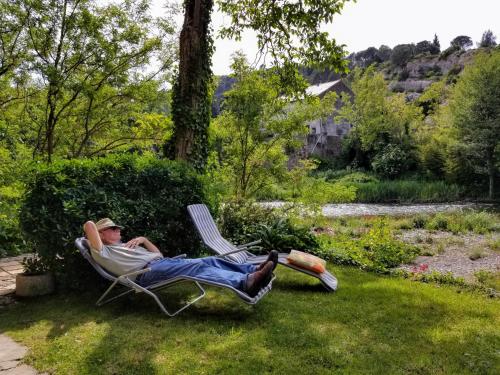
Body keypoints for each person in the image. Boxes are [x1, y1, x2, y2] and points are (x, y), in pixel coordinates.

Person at [83, 218, 278, 297]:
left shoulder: (126, 246)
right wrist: (97, 234)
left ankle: (253, 270)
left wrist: (143, 239)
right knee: (194, 269)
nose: (118, 230)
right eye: (113, 228)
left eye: (118, 228)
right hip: (145, 275)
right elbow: (89, 225)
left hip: (160, 263)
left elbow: (158, 254)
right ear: (101, 234)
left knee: (206, 260)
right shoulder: (103, 251)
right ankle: (245, 283)